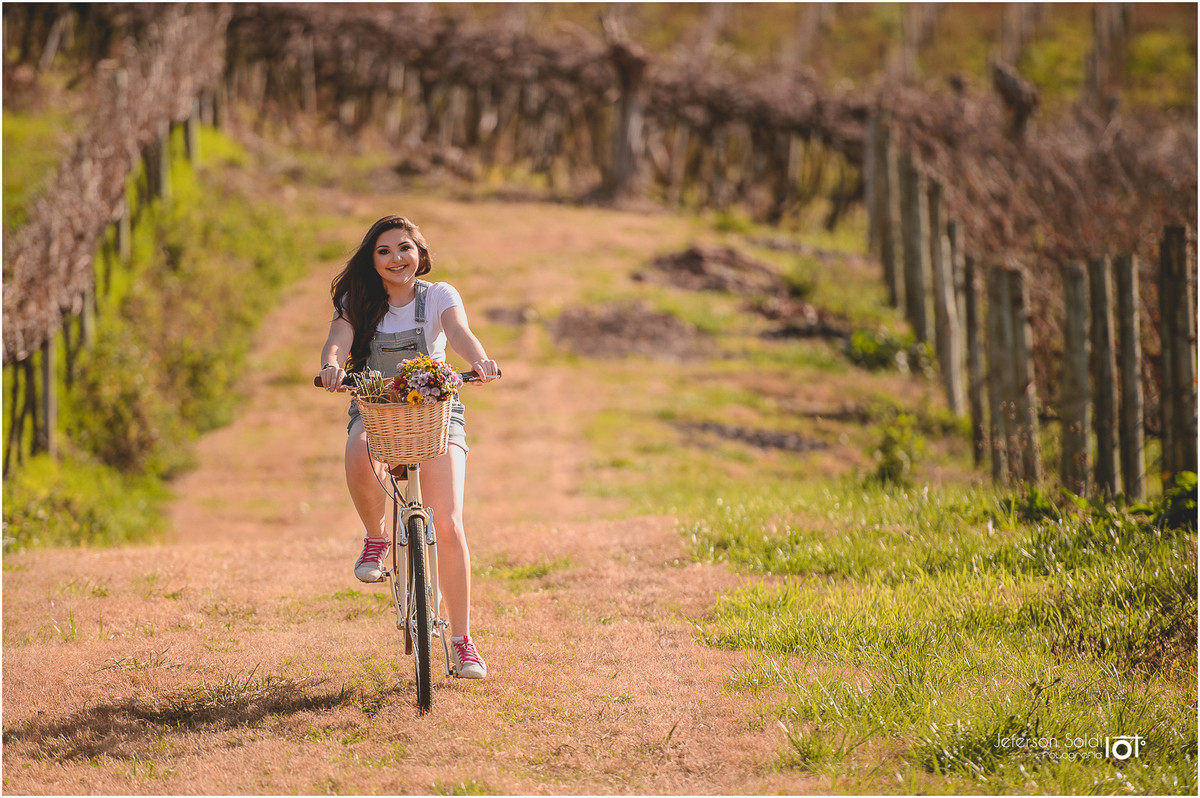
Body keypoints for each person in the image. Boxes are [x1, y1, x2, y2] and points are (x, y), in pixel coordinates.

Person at [319, 215, 499, 679]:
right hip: (377, 408)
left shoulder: (439, 295)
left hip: (436, 411)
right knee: (360, 452)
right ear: (372, 260)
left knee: (450, 522)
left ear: (420, 253)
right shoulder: (357, 299)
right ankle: (377, 538)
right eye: (384, 251)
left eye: (404, 248)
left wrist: (478, 360)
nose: (396, 258)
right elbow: (338, 339)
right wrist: (332, 365)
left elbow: (457, 332)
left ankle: (461, 642)